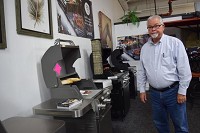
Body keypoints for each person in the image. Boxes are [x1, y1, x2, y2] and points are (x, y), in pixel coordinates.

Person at [137, 15, 192, 133]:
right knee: (160, 124)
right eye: (150, 27)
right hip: (155, 94)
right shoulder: (145, 48)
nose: (153, 29)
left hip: (173, 92)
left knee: (180, 125)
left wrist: (182, 91)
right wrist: (142, 89)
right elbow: (142, 70)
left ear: (163, 27)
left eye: (156, 26)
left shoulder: (175, 43)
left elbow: (184, 69)